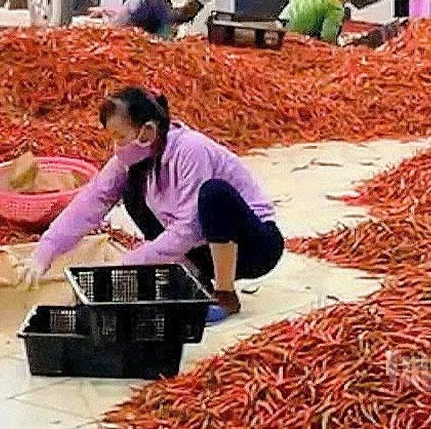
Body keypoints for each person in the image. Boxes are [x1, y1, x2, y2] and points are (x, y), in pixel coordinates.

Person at [23, 87, 283, 323]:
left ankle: (225, 295)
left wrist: (133, 261)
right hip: (204, 250)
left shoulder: (191, 150)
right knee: (132, 192)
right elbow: (93, 201)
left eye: (121, 136)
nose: (117, 147)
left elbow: (190, 227)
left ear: (147, 131)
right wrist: (46, 250)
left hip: (254, 247)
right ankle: (194, 279)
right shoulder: (133, 160)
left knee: (213, 195)